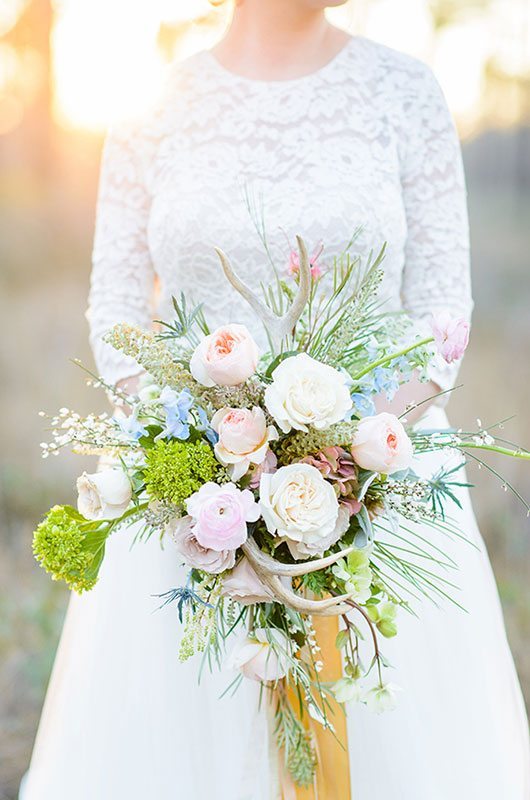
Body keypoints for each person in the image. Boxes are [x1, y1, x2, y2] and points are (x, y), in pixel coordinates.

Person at [22, 1, 530, 798]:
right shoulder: (151, 109)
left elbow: (443, 317)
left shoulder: (406, 90)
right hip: (189, 500)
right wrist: (199, 464)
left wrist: (344, 461)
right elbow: (116, 315)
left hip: (380, 486)